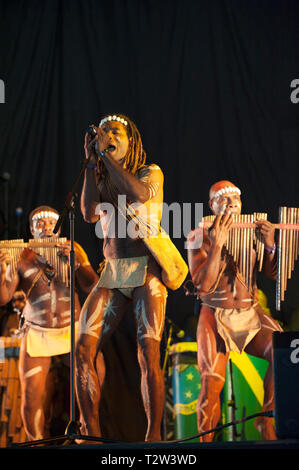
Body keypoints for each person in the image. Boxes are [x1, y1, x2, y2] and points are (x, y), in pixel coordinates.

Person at [76, 113, 177, 442]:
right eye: (103, 133)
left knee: (147, 350)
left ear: (130, 142)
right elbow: (90, 212)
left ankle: (153, 436)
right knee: (82, 348)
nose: (107, 136)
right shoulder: (103, 175)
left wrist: (104, 155)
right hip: (114, 271)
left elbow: (139, 195)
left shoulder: (150, 172)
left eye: (115, 132)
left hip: (146, 269)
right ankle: (89, 431)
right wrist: (92, 164)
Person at [187, 180, 283, 441]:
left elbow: (272, 275)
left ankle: (266, 419)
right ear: (211, 206)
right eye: (224, 200)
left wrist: (270, 246)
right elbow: (203, 287)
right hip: (214, 316)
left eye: (235, 200)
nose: (231, 204)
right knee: (211, 383)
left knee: (283, 352)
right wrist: (217, 245)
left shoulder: (251, 230)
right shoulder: (198, 235)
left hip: (250, 313)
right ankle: (205, 442)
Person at [0, 206, 99, 441]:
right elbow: (4, 297)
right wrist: (3, 270)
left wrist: (76, 264)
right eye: (39, 224)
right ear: (31, 231)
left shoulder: (73, 249)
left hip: (71, 328)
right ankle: (35, 443)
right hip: (37, 331)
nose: (46, 228)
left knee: (88, 391)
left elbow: (93, 286)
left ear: (60, 228)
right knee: (31, 396)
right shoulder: (22, 256)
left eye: (51, 224)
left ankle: (89, 439)